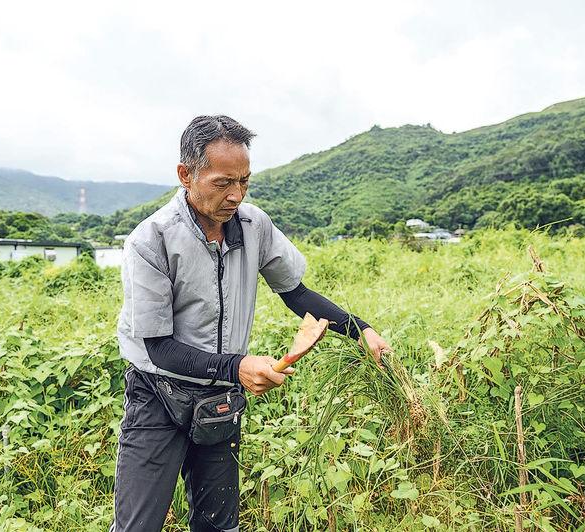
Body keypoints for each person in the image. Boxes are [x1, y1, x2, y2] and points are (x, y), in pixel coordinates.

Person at [111, 115, 392, 532]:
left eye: (244, 182)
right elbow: (158, 347)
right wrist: (237, 366)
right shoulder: (151, 240)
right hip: (158, 394)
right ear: (186, 175)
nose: (235, 196)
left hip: (219, 399)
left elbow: (296, 293)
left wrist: (361, 329)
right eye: (223, 183)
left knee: (219, 526)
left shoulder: (253, 225)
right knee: (138, 526)